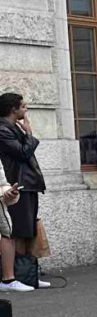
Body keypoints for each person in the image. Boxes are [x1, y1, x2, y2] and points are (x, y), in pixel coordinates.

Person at [0, 91, 47, 291]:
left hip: (26, 183)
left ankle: (27, 274)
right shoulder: (3, 129)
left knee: (27, 229)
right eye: (23, 106)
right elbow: (23, 152)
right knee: (16, 230)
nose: (26, 109)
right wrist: (29, 134)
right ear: (13, 109)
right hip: (16, 185)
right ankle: (11, 277)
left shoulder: (12, 127)